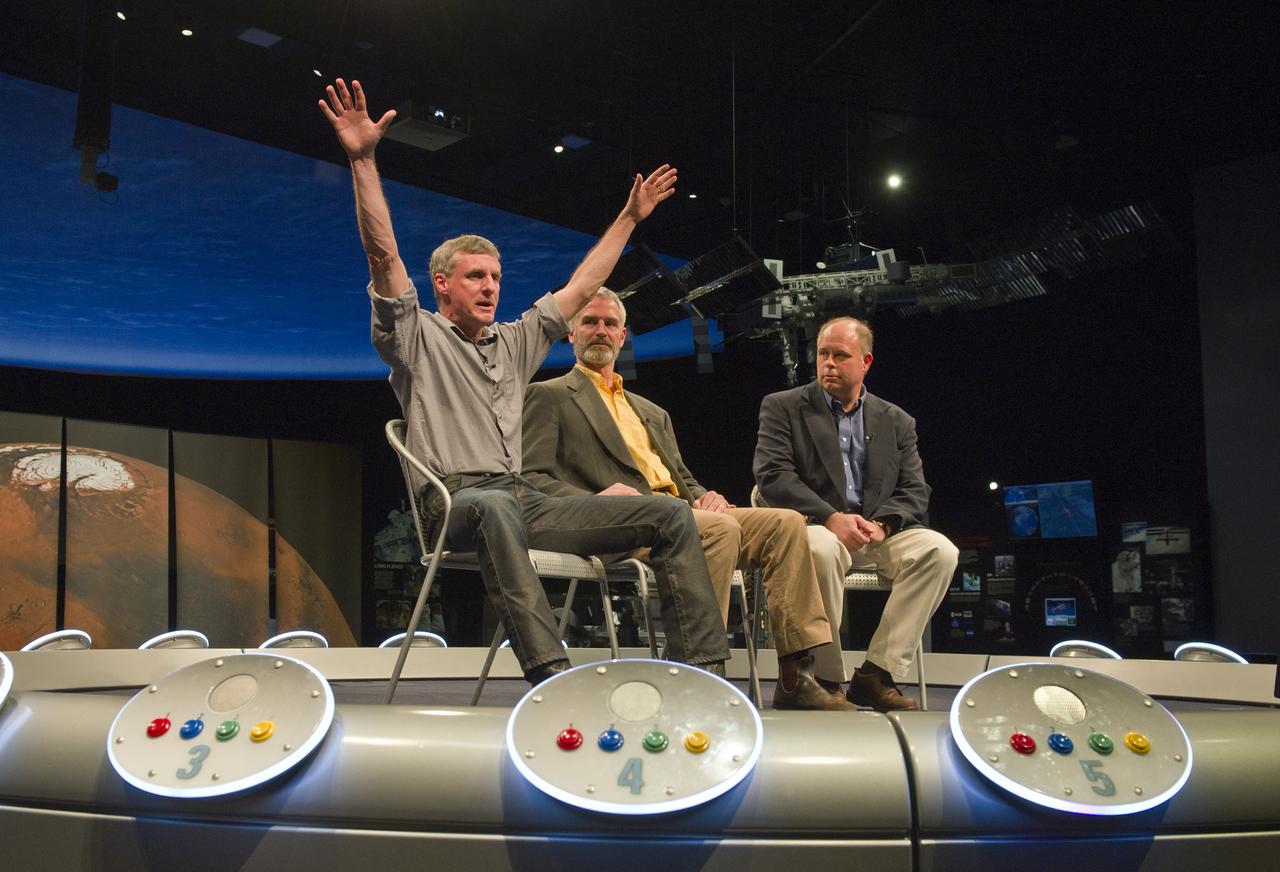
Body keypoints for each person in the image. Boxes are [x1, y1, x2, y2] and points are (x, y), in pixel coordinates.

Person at [318, 78, 729, 683]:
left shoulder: (515, 342)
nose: (490, 287)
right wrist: (362, 159)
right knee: (492, 507)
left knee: (667, 516)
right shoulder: (415, 337)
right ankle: (549, 673)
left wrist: (629, 217)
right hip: (455, 501)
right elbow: (383, 257)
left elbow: (583, 287)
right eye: (475, 277)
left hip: (520, 498)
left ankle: (702, 673)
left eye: (495, 277)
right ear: (442, 286)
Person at [522, 289, 854, 710]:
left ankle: (796, 677)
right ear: (570, 333)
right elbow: (530, 479)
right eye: (590, 322)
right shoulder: (548, 396)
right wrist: (595, 498)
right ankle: (697, 673)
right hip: (616, 523)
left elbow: (680, 480)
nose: (600, 331)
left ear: (623, 336)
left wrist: (705, 495)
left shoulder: (650, 410)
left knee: (786, 522)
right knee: (719, 530)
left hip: (680, 513)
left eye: (610, 324)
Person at [753, 316, 958, 711]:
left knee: (939, 551)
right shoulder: (783, 407)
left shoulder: (897, 420)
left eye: (840, 355)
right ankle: (825, 678)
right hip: (815, 526)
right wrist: (831, 517)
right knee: (819, 548)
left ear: (866, 362)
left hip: (873, 531)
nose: (828, 363)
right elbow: (772, 476)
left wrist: (883, 525)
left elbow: (916, 490)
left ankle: (875, 675)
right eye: (823, 354)